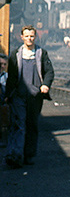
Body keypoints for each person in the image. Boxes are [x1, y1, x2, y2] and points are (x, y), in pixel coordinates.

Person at [5, 25, 54, 167]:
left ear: (35, 37)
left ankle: (29, 154)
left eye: (32, 36)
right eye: (26, 36)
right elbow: (12, 77)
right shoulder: (15, 54)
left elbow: (49, 71)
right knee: (19, 124)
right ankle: (16, 155)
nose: (29, 39)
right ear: (22, 37)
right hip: (19, 96)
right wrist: (8, 94)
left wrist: (45, 84)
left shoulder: (41, 53)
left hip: (35, 96)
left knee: (31, 125)